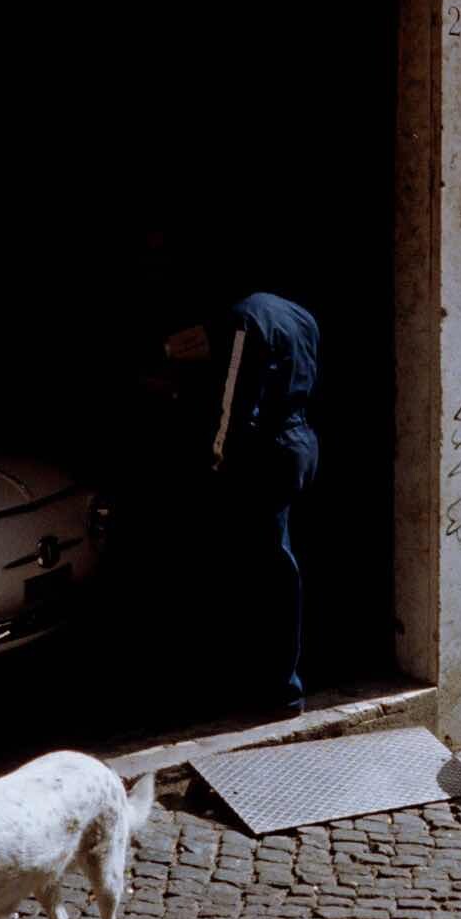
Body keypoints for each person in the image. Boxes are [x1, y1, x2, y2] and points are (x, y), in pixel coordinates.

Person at [164, 292, 321, 713]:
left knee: (262, 567)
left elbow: (234, 403)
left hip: (268, 450)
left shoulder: (243, 320)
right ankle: (279, 678)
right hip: (301, 442)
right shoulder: (300, 314)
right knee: (279, 559)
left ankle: (276, 686)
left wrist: (216, 458)